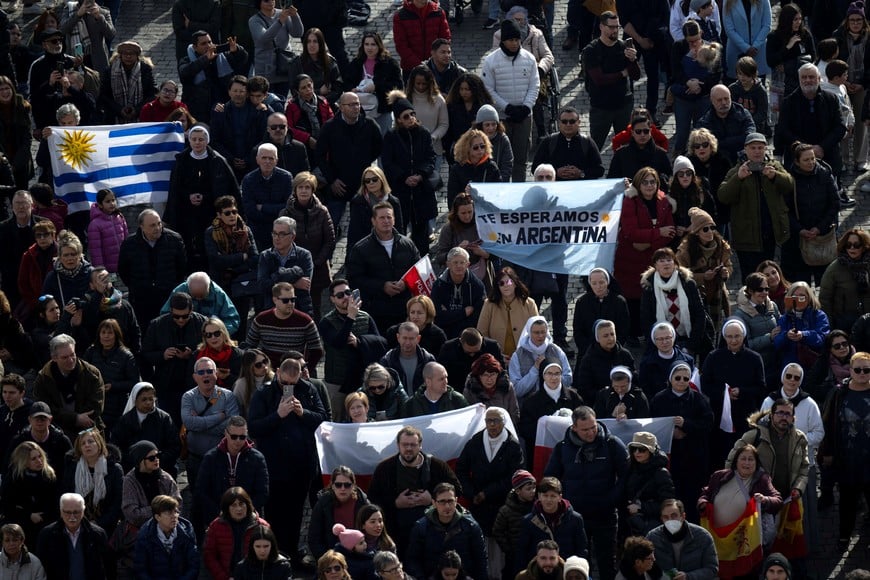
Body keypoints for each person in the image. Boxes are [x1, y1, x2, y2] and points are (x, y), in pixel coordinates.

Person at [248, 357, 327, 560]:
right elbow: (254, 427)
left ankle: (291, 551)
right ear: (277, 373)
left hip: (302, 464)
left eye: (294, 383)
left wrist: (303, 413)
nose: (290, 387)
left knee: (296, 512)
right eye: (285, 383)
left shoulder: (308, 389)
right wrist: (278, 415)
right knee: (274, 512)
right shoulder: (264, 393)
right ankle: (275, 553)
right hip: (274, 464)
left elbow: (322, 418)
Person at [544, 407, 629, 580]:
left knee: (607, 563)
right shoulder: (562, 448)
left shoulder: (612, 444)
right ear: (574, 427)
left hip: (605, 514)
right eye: (585, 429)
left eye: (593, 427)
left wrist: (611, 500)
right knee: (577, 563)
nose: (591, 432)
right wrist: (564, 503)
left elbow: (627, 476)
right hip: (573, 516)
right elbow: (551, 480)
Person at [367, 425, 461, 556]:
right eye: (405, 445)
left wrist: (432, 499)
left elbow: (457, 489)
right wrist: (395, 503)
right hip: (397, 534)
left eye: (413, 445)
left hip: (433, 532)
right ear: (398, 445)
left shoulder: (437, 466)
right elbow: (372, 500)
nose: (409, 449)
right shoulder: (384, 468)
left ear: (420, 445)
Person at [456, 406, 523, 572]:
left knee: (501, 552)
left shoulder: (513, 446)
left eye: (496, 421)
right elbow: (461, 470)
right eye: (488, 421)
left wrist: (487, 493)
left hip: (503, 504)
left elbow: (514, 477)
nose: (492, 425)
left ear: (504, 422)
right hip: (478, 504)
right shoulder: (475, 442)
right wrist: (472, 493)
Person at [697, 444, 782, 574]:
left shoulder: (762, 480)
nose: (746, 463)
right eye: (743, 458)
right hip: (719, 541)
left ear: (756, 462)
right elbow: (706, 494)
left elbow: (778, 500)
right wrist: (702, 502)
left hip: (744, 543)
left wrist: (764, 500)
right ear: (736, 460)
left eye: (751, 459)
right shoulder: (719, 476)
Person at [165, 125, 240, 271]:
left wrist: (205, 197)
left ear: (207, 141)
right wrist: (189, 196)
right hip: (187, 212)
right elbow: (175, 189)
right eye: (194, 139)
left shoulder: (218, 160)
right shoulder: (181, 160)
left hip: (211, 211)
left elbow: (227, 188)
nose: (197, 143)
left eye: (201, 139)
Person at [717, 132, 792, 278]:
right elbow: (723, 195)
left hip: (773, 234)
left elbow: (790, 185)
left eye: (760, 148)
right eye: (753, 148)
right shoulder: (736, 171)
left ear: (765, 149)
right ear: (746, 149)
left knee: (773, 277)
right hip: (747, 238)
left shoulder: (774, 166)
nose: (757, 151)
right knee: (751, 278)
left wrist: (775, 176)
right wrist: (738, 178)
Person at [819, 351, 870, 546]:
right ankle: (844, 535)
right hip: (847, 459)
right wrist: (829, 452)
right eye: (857, 369)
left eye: (867, 370)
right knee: (847, 501)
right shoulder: (839, 393)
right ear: (850, 369)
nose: (862, 373)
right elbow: (829, 423)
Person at [346, 202, 421, 334]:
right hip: (376, 312)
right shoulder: (360, 248)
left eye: (389, 217)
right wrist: (382, 286)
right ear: (373, 221)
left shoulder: (408, 244)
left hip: (404, 309)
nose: (386, 221)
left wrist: (405, 283)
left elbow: (419, 269)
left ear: (394, 219)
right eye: (382, 218)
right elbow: (354, 279)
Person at [482, 19, 540, 183]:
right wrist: (506, 107)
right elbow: (488, 89)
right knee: (500, 158)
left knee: (521, 158)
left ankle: (519, 189)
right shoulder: (491, 61)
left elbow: (534, 85)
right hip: (502, 118)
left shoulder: (529, 59)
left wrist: (526, 107)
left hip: (524, 117)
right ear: (503, 41)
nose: (514, 43)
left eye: (517, 39)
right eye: (511, 40)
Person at [316, 92, 383, 229]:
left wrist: (365, 161)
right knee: (331, 224)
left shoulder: (369, 125)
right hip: (338, 184)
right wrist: (332, 179)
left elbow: (380, 147)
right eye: (351, 104)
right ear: (341, 107)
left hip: (363, 183)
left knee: (365, 224)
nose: (356, 107)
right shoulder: (330, 127)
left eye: (357, 103)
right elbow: (319, 155)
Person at [382, 92, 437, 256]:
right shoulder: (391, 137)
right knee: (399, 228)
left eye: (412, 114)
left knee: (421, 231)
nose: (411, 118)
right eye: (406, 116)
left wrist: (420, 175)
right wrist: (404, 177)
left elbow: (430, 158)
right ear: (398, 119)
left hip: (421, 190)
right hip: (401, 190)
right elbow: (388, 162)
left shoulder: (423, 133)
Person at [140, 292, 208, 422]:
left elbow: (210, 350)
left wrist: (191, 355)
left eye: (185, 316)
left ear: (191, 310)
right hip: (166, 384)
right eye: (176, 316)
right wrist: (163, 355)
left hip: (195, 384)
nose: (181, 320)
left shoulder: (202, 323)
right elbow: (146, 353)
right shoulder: (157, 325)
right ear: (171, 311)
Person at [118, 209, 187, 333]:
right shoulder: (129, 244)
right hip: (142, 299)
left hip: (167, 296)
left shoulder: (174, 240)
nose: (157, 228)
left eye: (159, 223)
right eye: (152, 225)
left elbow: (182, 267)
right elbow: (123, 270)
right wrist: (136, 286)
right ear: (141, 227)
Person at [579, 12, 640, 150]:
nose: (615, 30)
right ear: (601, 26)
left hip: (623, 106)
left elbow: (636, 75)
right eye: (611, 27)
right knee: (595, 147)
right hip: (601, 108)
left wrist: (633, 60)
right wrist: (622, 73)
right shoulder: (591, 50)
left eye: (617, 27)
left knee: (625, 147)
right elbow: (599, 80)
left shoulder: (623, 46)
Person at [776, 63, 846, 180]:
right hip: (798, 157)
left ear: (819, 79)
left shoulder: (831, 99)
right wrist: (806, 150)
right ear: (799, 80)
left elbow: (840, 127)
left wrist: (821, 147)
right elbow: (783, 130)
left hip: (826, 153)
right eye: (804, 77)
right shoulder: (788, 102)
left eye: (811, 77)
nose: (808, 80)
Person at [405, 482, 488, 580]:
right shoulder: (421, 527)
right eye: (442, 502)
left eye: (450, 501)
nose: (447, 506)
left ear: (456, 501)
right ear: (434, 503)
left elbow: (481, 560)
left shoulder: (470, 526)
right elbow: (413, 560)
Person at [33, 334, 105, 441]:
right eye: (65, 357)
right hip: (57, 432)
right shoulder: (44, 378)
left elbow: (96, 405)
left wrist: (80, 420)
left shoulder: (91, 374)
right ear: (54, 358)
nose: (71, 360)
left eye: (73, 355)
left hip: (88, 430)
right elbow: (46, 409)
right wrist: (75, 418)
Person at [669, 21, 722, 156]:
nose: (693, 44)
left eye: (696, 40)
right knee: (682, 132)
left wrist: (699, 85)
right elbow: (675, 71)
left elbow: (716, 74)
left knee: (702, 132)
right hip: (683, 99)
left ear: (701, 34)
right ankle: (678, 156)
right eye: (690, 41)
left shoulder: (710, 48)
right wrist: (688, 82)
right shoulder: (678, 47)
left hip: (702, 98)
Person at [675, 207, 731, 333]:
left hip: (717, 295)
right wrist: (702, 277)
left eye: (712, 227)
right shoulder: (685, 250)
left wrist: (725, 272)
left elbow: (729, 265)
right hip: (695, 296)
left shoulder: (721, 245)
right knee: (699, 330)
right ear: (696, 232)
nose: (710, 231)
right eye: (705, 229)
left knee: (716, 330)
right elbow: (679, 274)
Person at [60, 428, 123, 538]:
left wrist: (99, 524)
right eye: (83, 443)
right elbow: (65, 495)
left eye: (90, 441)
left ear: (99, 444)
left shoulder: (114, 469)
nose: (87, 445)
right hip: (76, 524)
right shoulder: (72, 468)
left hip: (107, 526)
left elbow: (117, 502)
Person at [515, 476, 589, 569]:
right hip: (538, 571)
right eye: (545, 495)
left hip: (566, 570)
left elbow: (581, 550)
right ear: (539, 496)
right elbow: (521, 552)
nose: (549, 500)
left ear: (560, 497)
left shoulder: (575, 519)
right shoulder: (529, 521)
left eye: (553, 496)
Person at [246, 281, 323, 369]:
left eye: (293, 299)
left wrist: (305, 369)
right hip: (268, 371)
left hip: (294, 372)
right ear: (275, 300)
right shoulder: (261, 320)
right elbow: (250, 346)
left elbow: (316, 350)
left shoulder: (305, 321)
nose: (290, 303)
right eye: (285, 300)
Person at [178, 31, 249, 124]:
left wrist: (237, 50)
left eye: (210, 42)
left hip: (222, 105)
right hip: (198, 109)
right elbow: (185, 73)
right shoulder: (186, 60)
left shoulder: (221, 56)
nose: (208, 45)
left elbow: (242, 59)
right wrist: (205, 59)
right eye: (203, 44)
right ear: (195, 47)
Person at [82, 318, 139, 433]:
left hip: (117, 408)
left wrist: (113, 386)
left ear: (116, 335)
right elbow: (82, 374)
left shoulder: (126, 356)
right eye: (103, 332)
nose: (106, 336)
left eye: (110, 333)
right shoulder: (91, 352)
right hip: (95, 406)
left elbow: (134, 382)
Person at [35, 493, 109, 580]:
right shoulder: (47, 535)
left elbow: (107, 566)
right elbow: (41, 568)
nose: (72, 517)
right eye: (68, 512)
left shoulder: (97, 534)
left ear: (83, 511)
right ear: (61, 512)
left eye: (76, 512)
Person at [203, 487, 271, 580]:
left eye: (241, 504)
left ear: (248, 504)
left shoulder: (261, 526)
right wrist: (223, 577)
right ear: (227, 508)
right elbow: (209, 555)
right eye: (233, 505)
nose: (238, 508)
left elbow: (270, 555)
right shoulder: (216, 526)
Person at [1, 441, 59, 545]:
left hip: (47, 525)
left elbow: (55, 502)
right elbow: (7, 506)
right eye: (33, 459)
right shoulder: (13, 479)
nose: (39, 461)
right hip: (21, 528)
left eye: (40, 456)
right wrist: (28, 515)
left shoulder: (49, 476)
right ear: (24, 461)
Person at [477, 267, 539, 363]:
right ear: (498, 286)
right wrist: (497, 355)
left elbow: (537, 332)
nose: (505, 286)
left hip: (525, 358)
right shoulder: (489, 304)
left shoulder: (529, 304)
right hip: (496, 360)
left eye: (509, 282)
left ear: (515, 283)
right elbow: (481, 333)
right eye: (501, 283)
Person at [346, 32, 403, 134]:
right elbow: (347, 83)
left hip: (382, 109)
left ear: (379, 45)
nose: (369, 48)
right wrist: (352, 90)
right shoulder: (356, 63)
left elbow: (398, 86)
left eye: (373, 44)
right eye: (366, 44)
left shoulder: (390, 63)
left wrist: (377, 87)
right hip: (361, 110)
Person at [619, 0, 670, 115]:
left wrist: (654, 36)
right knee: (629, 74)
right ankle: (628, 111)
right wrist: (640, 40)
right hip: (632, 39)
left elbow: (665, 17)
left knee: (653, 77)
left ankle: (651, 112)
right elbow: (624, 21)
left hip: (653, 41)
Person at [309, 466, 372, 558]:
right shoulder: (323, 504)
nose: (343, 488)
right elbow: (314, 537)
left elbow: (373, 532)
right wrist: (327, 560)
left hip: (360, 554)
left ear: (353, 486)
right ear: (333, 486)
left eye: (347, 485)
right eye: (338, 485)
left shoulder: (363, 503)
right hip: (332, 556)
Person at [646, 499, 717, 578]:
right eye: (666, 517)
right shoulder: (652, 537)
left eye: (674, 515)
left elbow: (712, 569)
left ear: (683, 516)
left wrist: (688, 577)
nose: (670, 520)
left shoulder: (703, 536)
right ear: (662, 519)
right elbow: (645, 567)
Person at [732, 272, 781, 386]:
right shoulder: (741, 314)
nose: (764, 293)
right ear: (750, 291)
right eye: (760, 289)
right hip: (757, 366)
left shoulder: (772, 306)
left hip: (776, 362)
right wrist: (769, 338)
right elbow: (746, 344)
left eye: (766, 289)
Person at [134, 495, 199, 580]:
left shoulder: (187, 532)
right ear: (157, 517)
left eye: (176, 512)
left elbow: (194, 565)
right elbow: (140, 570)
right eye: (169, 513)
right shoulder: (145, 536)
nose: (174, 516)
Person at [509, 316, 572, 401]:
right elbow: (516, 390)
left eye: (543, 332)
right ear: (529, 333)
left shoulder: (556, 351)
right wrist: (534, 370)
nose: (540, 336)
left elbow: (568, 379)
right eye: (536, 332)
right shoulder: (518, 355)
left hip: (555, 401)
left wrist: (552, 376)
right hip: (527, 404)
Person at [573, 320, 636, 404]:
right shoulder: (588, 360)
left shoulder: (625, 355)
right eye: (605, 336)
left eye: (612, 334)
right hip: (599, 404)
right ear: (598, 339)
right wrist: (606, 396)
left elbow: (634, 379)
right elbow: (584, 389)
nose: (610, 338)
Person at [248, 0, 303, 96]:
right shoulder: (254, 20)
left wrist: (295, 16)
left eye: (272, 0)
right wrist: (279, 22)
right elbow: (263, 39)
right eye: (266, 0)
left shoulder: (281, 14)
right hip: (265, 72)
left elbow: (297, 33)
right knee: (267, 103)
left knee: (281, 102)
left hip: (283, 67)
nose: (270, 2)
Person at [820, 229, 870, 332]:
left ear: (864, 246)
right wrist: (829, 327)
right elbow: (825, 299)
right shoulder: (834, 269)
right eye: (848, 244)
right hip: (844, 323)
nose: (852, 248)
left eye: (856, 245)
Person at [773, 281, 831, 368]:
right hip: (791, 366)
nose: (798, 299)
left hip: (814, 364)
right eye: (794, 296)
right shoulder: (784, 318)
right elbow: (777, 344)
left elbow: (823, 338)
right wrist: (786, 336)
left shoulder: (819, 315)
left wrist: (803, 335)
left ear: (809, 298)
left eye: (802, 296)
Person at [696, 84, 757, 164]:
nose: (724, 103)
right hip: (716, 162)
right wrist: (736, 141)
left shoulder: (743, 114)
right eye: (719, 100)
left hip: (742, 160)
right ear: (712, 101)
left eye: (726, 99)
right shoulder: (704, 122)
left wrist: (722, 143)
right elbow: (704, 145)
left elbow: (750, 136)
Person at [99, 41, 157, 123]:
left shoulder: (145, 70)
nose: (128, 56)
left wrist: (137, 109)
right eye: (125, 54)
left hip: (141, 115)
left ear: (137, 56)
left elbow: (152, 94)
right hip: (114, 116)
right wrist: (119, 110)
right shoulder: (110, 70)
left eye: (132, 54)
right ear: (120, 55)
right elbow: (104, 95)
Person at [444, 73, 493, 165]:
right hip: (458, 151)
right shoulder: (452, 106)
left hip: (479, 151)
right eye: (461, 89)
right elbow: (448, 130)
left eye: (467, 89)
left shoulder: (484, 107)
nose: (464, 93)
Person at [392, 0, 450, 77]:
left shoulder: (438, 12)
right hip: (411, 69)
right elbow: (401, 45)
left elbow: (445, 39)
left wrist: (433, 61)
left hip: (436, 67)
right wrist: (419, 65)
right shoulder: (400, 16)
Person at [447, 130, 501, 208]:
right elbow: (452, 201)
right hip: (466, 215)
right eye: (475, 147)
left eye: (482, 146)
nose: (480, 149)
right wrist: (464, 195)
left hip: (486, 213)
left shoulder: (491, 167)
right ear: (467, 149)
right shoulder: (457, 169)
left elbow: (499, 194)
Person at [463, 353, 519, 425]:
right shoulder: (470, 390)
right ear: (478, 376)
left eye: (492, 374)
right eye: (485, 375)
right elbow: (468, 417)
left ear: (498, 374)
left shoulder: (507, 387)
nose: (489, 379)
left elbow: (514, 413)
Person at [721, 0, 772, 80]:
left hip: (758, 53)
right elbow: (729, 28)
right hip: (736, 52)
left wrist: (755, 46)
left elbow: (767, 25)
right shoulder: (728, 1)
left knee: (758, 88)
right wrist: (745, 48)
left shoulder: (763, 1)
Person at [402, 361, 468, 417]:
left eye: (446, 377)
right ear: (428, 382)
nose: (446, 381)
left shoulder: (457, 400)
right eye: (441, 379)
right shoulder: (411, 405)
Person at [472, 104, 514, 183]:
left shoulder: (503, 139)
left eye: (494, 124)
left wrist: (501, 183)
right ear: (481, 125)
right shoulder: (471, 138)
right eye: (487, 125)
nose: (491, 128)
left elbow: (507, 164)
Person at [0, 374, 33, 447]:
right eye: (4, 392)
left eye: (12, 393)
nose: (7, 396)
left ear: (22, 393)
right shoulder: (2, 411)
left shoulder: (32, 412)